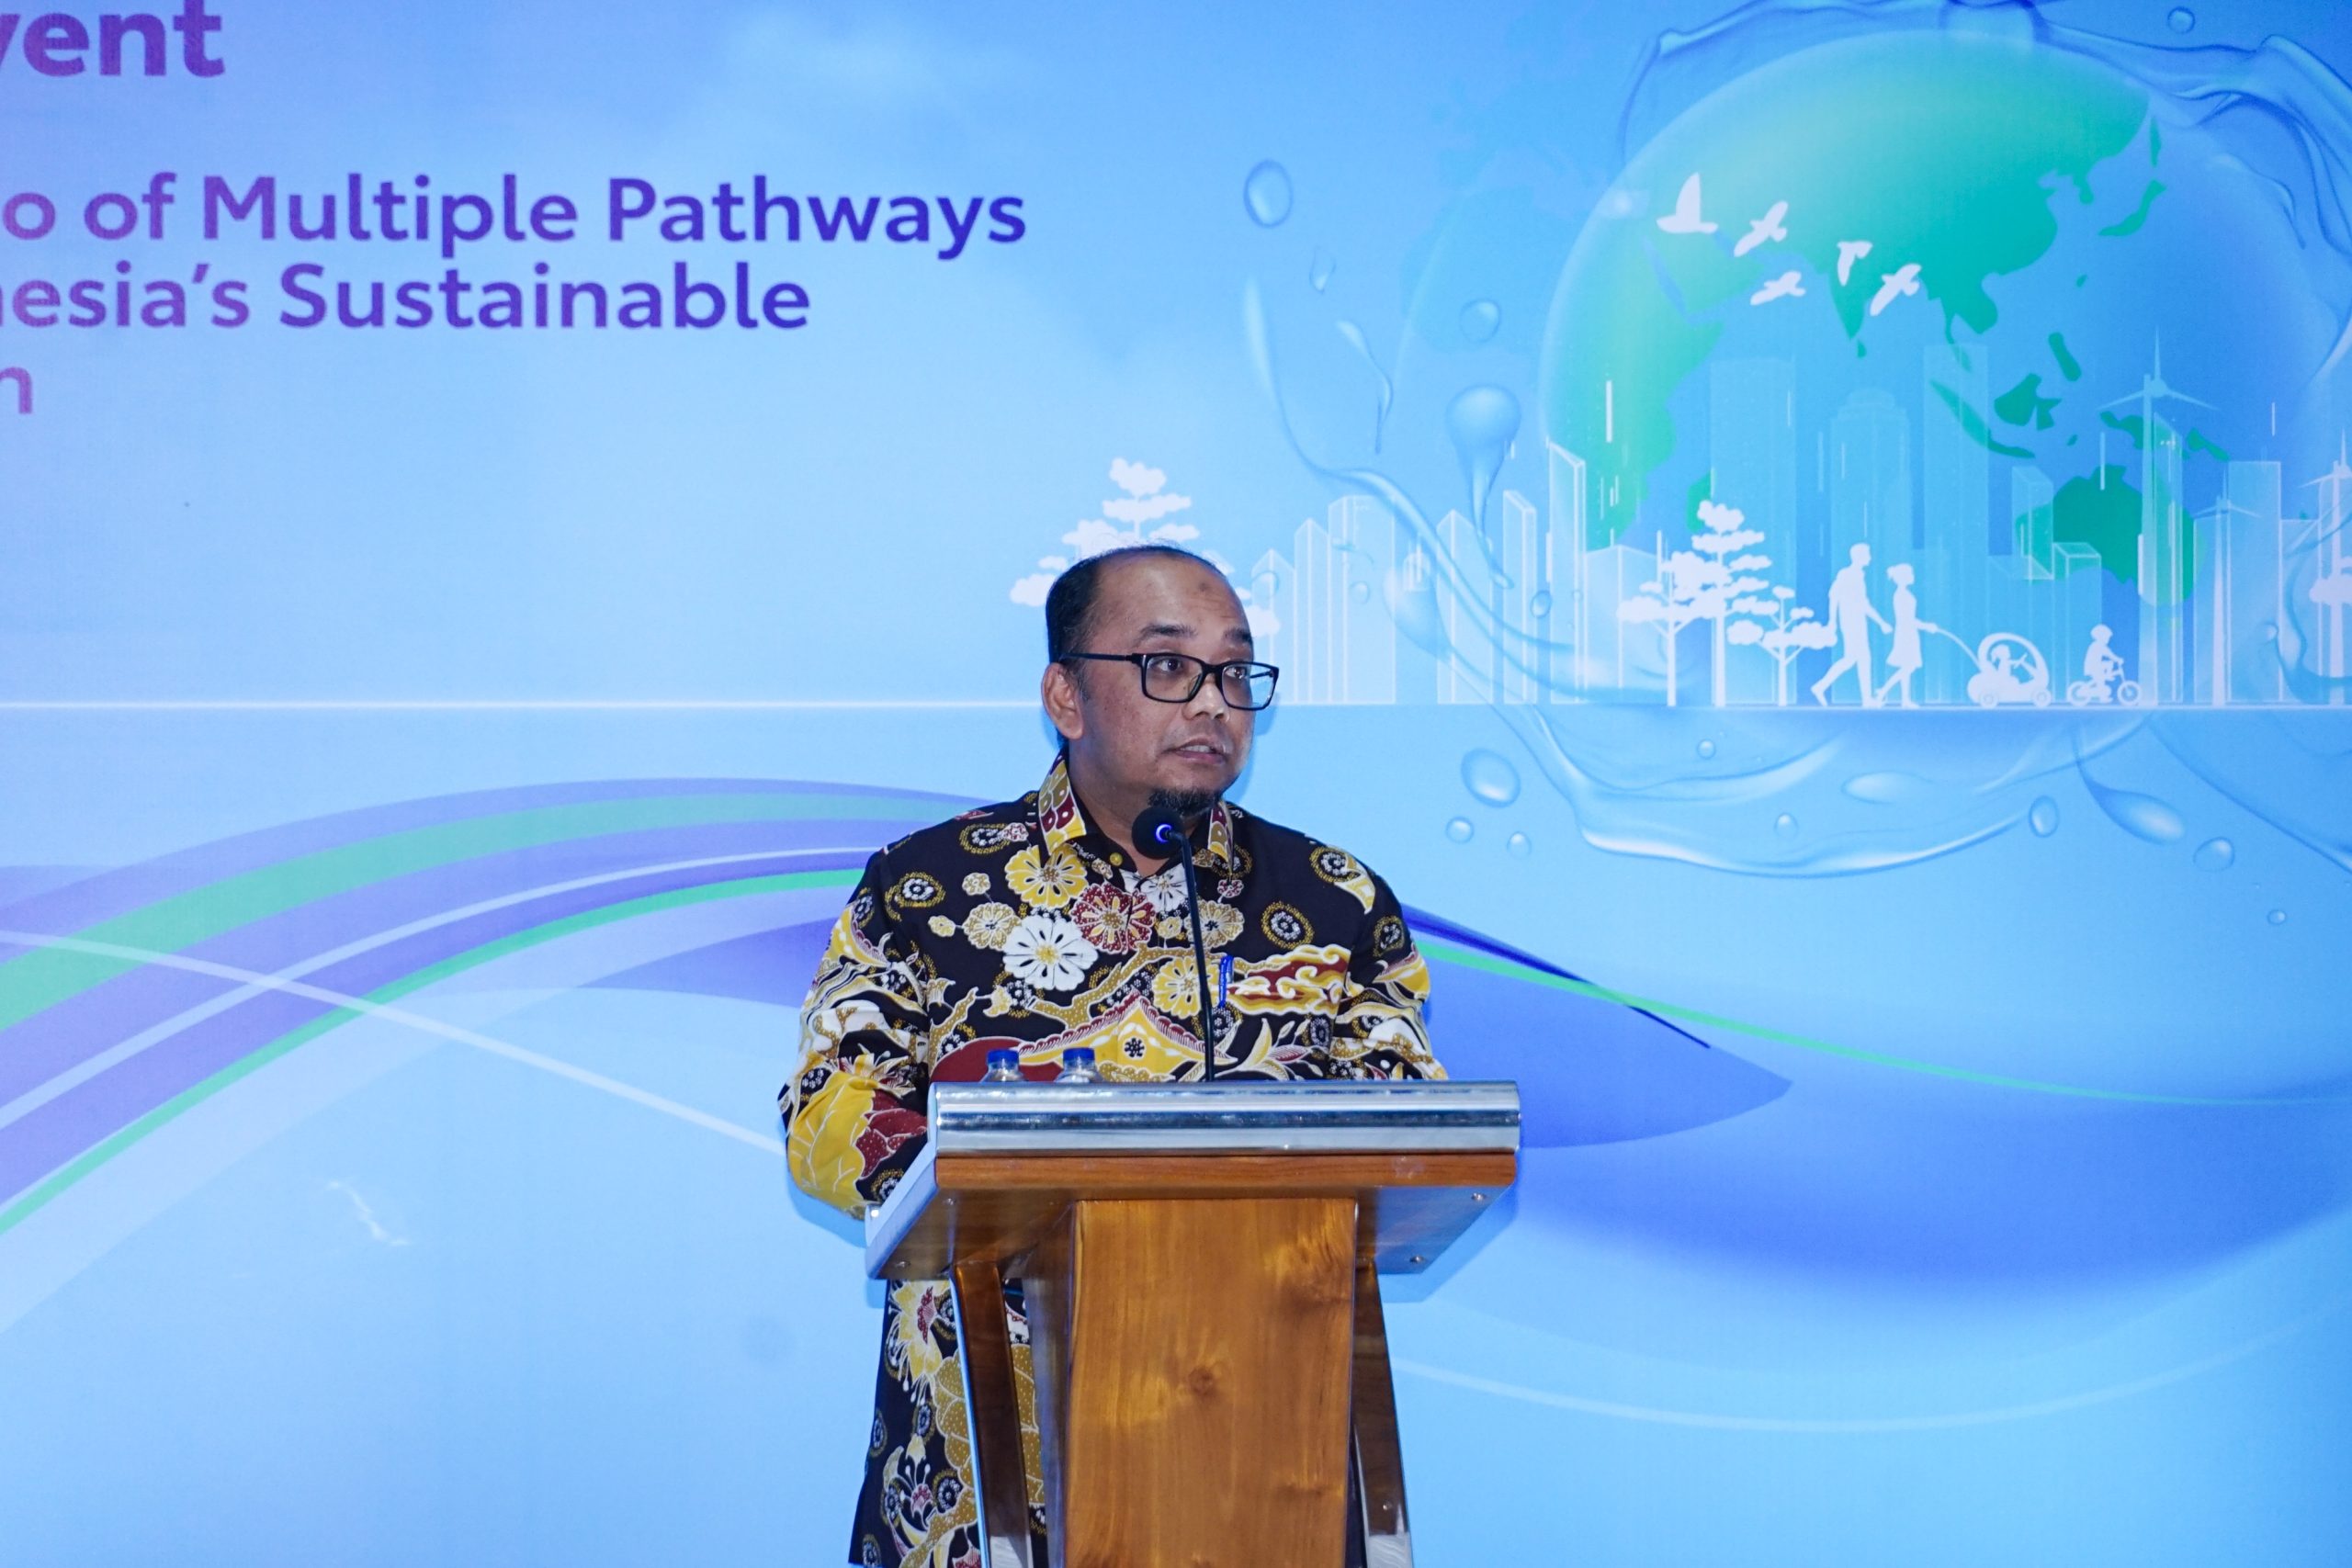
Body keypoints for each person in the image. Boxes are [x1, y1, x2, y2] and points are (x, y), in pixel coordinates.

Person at [781, 544, 1444, 1568]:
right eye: (1168, 666)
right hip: (991, 1459)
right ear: (1065, 696)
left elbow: (1412, 1131)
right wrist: (1001, 1177)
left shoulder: (1332, 900)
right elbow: (827, 1110)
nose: (1214, 702)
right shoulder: (929, 888)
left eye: (1235, 671)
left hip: (1268, 1460)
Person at [1810, 543, 1893, 707]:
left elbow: (1863, 604)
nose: (1870, 558)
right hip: (1851, 622)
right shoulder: (1847, 574)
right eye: (1867, 554)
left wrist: (1881, 622)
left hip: (1857, 621)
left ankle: (1823, 687)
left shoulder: (1858, 575)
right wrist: (1832, 621)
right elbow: (1835, 596)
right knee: (1858, 658)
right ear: (1859, 556)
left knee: (1854, 659)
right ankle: (1862, 698)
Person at [1873, 562, 1939, 708]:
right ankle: (1883, 692)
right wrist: (1926, 626)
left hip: (1908, 632)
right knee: (1908, 667)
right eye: (1910, 574)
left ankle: (1903, 698)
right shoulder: (1901, 595)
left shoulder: (1904, 594)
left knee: (1907, 667)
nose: (1913, 576)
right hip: (1906, 633)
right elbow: (1907, 619)